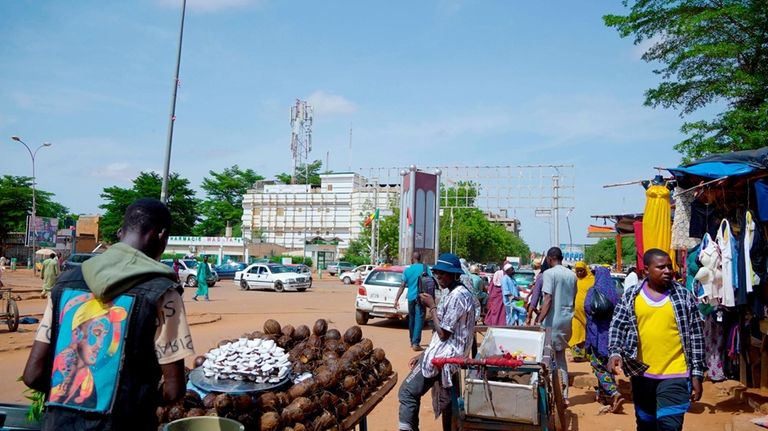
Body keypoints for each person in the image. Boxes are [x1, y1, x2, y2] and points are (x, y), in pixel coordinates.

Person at [22, 198, 193, 430]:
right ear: (160, 236)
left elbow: (33, 375)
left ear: (120, 233)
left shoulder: (65, 284)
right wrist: (135, 402)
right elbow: (174, 390)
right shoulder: (163, 292)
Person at [608, 249, 704, 431]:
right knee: (645, 425)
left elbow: (696, 335)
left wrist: (697, 374)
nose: (668, 270)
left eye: (669, 266)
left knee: (670, 427)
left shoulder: (683, 296)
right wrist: (614, 352)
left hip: (676, 374)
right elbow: (617, 326)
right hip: (642, 375)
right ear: (646, 271)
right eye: (661, 267)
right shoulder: (631, 297)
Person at [398, 253, 477, 431]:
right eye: (437, 272)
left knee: (407, 392)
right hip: (447, 351)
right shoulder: (454, 293)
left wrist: (432, 306)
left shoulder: (458, 296)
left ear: (455, 274)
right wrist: (424, 354)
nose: (439, 276)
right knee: (447, 401)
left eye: (444, 273)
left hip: (447, 354)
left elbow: (443, 334)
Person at [535, 247, 577, 400]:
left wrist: (538, 319)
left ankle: (550, 395)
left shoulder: (549, 274)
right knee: (560, 358)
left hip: (552, 321)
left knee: (545, 357)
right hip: (566, 321)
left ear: (549, 259)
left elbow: (547, 299)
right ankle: (564, 397)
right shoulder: (572, 276)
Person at [584, 266, 623, 413]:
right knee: (608, 365)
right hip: (611, 335)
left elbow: (587, 308)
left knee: (597, 366)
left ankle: (613, 392)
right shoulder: (615, 293)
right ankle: (603, 396)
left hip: (596, 334)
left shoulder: (592, 292)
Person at [395, 252, 431, 351]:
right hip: (421, 297)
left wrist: (396, 299)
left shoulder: (407, 270)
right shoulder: (425, 268)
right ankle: (416, 343)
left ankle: (412, 341)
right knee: (419, 319)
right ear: (420, 258)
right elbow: (430, 280)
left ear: (412, 259)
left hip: (411, 297)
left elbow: (402, 285)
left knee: (412, 319)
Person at [571, 261, 595, 362]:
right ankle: (577, 355)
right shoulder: (574, 280)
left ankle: (588, 354)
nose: (579, 273)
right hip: (576, 314)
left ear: (586, 270)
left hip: (588, 314)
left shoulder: (592, 280)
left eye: (581, 271)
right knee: (576, 332)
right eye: (577, 271)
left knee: (587, 333)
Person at [484, 260, 507, 326]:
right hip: (497, 295)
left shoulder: (507, 276)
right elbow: (494, 283)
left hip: (498, 295)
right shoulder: (500, 274)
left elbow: (490, 288)